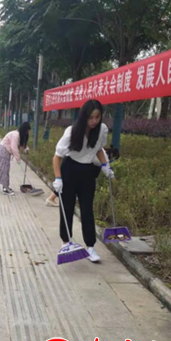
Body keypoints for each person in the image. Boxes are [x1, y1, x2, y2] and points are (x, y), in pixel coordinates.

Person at [52, 100, 114, 263]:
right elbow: (57, 157)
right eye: (91, 117)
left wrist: (105, 166)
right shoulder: (72, 132)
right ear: (84, 116)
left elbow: (98, 149)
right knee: (67, 207)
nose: (94, 121)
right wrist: (58, 178)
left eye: (97, 117)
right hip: (70, 169)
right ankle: (66, 242)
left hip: (87, 172)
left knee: (87, 209)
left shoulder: (101, 130)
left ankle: (90, 246)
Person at [0, 122, 30, 195]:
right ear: (24, 129)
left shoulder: (18, 135)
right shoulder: (16, 135)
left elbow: (18, 146)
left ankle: (6, 187)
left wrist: (25, 149)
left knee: (5, 170)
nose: (28, 132)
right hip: (3, 151)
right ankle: (5, 189)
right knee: (5, 170)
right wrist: (18, 159)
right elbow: (14, 148)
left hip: (5, 151)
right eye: (27, 130)